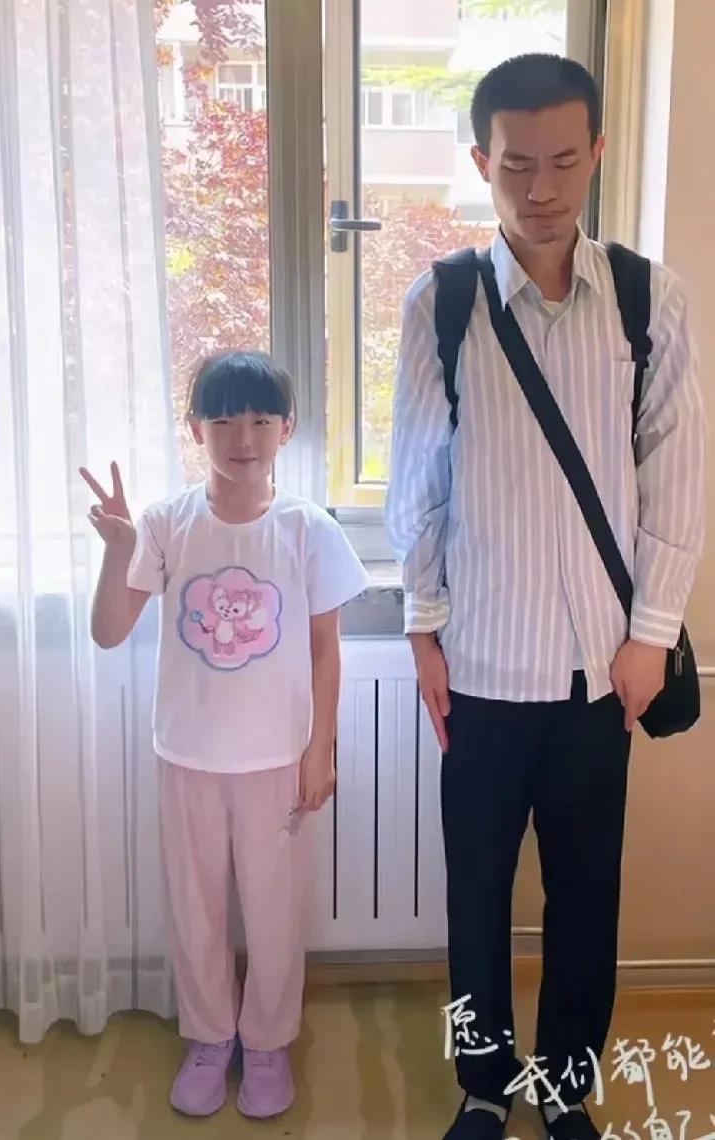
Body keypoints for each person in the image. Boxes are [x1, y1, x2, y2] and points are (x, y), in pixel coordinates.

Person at [386, 54, 705, 1140]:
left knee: (585, 901)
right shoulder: (443, 303)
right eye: (516, 164)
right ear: (481, 161)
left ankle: (566, 1087)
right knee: (474, 898)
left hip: (598, 678)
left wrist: (650, 637)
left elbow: (676, 477)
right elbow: (418, 482)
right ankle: (484, 1084)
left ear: (597, 153)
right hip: (478, 669)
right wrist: (421, 626)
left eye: (564, 160)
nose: (541, 188)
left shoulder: (646, 300)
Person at [81, 351, 369, 1120]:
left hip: (278, 761)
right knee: (196, 908)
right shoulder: (165, 524)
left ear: (288, 428)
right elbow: (108, 632)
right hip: (188, 757)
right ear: (195, 428)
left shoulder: (308, 528)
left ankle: (268, 1042)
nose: (243, 436)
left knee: (275, 914)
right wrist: (118, 552)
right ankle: (210, 1037)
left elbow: (326, 650)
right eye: (224, 419)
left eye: (261, 419)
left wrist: (321, 750)